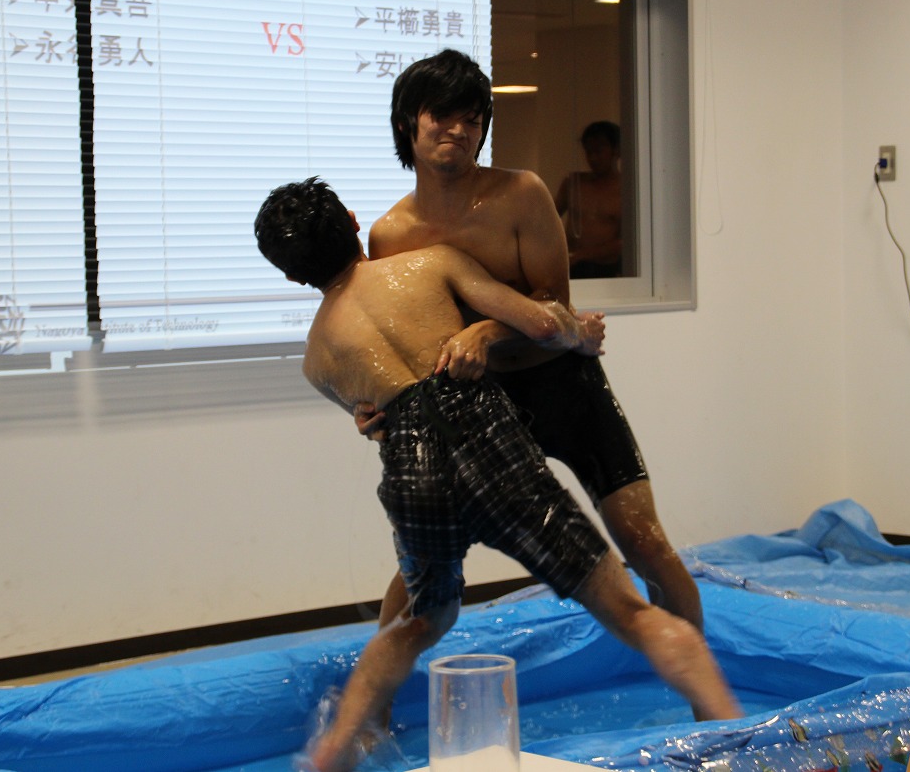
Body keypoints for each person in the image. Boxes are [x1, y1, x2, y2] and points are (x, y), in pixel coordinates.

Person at [254, 177, 743, 772]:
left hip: (412, 471)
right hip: (489, 445)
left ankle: (334, 749)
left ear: (291, 276)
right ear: (354, 221)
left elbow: (373, 420)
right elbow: (544, 324)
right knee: (630, 612)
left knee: (417, 621)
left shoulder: (316, 359)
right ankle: (735, 739)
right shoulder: (431, 263)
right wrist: (578, 332)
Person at [360, 49, 705, 642]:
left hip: (563, 383)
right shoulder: (391, 235)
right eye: (442, 115)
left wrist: (484, 332)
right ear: (406, 123)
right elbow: (394, 339)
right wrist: (370, 405)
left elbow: (554, 309)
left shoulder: (521, 194)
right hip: (477, 407)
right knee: (426, 559)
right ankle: (375, 692)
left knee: (646, 544)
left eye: (472, 119)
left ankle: (706, 691)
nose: (458, 130)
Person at [554, 120, 624, 279]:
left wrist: (582, 255)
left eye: (599, 151)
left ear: (617, 150)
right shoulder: (573, 184)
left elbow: (625, 241)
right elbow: (547, 220)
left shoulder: (626, 189)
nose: (593, 158)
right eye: (589, 151)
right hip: (572, 266)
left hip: (607, 269)